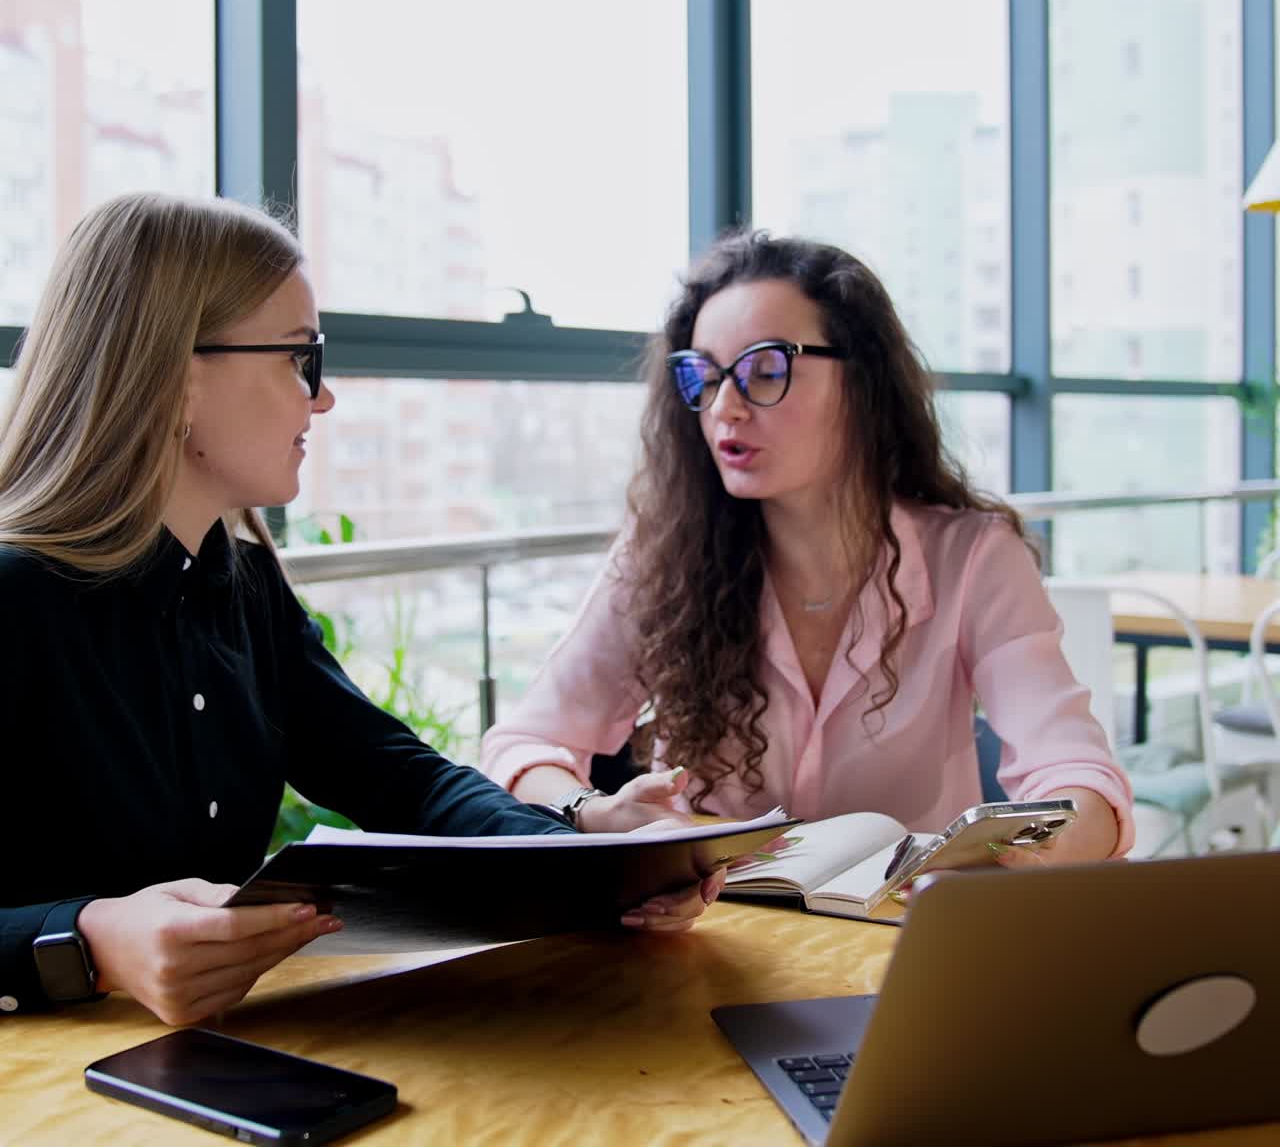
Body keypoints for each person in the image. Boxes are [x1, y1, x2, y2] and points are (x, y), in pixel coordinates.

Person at [0, 193, 723, 1026]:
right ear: (177, 377)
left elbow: (397, 775)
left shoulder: (243, 590)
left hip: (212, 1069)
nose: (324, 398)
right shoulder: (14, 601)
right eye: (301, 359)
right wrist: (87, 942)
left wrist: (587, 864)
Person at [481, 230, 1135, 867]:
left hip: (904, 945)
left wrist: (1036, 858)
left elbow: (1077, 775)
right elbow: (524, 743)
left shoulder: (972, 558)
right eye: (703, 376)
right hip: (709, 937)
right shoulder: (666, 558)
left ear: (861, 383)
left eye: (765, 370)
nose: (725, 408)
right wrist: (590, 811)